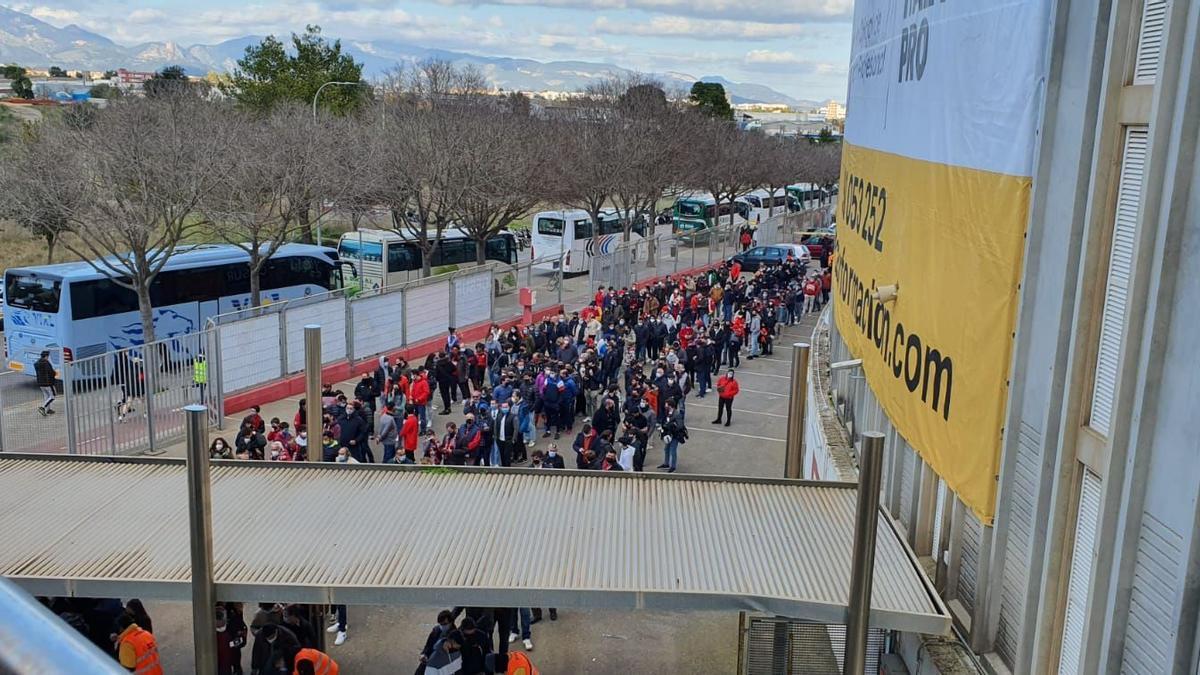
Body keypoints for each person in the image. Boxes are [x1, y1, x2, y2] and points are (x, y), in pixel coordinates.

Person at [215, 603, 248, 675]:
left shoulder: (234, 622)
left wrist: (233, 643)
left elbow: (242, 637)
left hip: (232, 654)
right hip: (218, 658)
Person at [658, 398, 686, 473]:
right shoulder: (668, 412)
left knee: (673, 450)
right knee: (666, 449)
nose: (665, 405)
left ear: (670, 405)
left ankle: (673, 466)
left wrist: (671, 426)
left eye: (666, 404)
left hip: (675, 435)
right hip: (669, 434)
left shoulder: (676, 414)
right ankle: (666, 463)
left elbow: (680, 426)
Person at [35, 350, 56, 416]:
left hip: (40, 383)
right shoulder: (46, 363)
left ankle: (48, 410)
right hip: (48, 382)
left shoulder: (37, 363)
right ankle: (43, 407)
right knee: (53, 396)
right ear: (46, 356)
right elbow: (51, 372)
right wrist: (54, 373)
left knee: (46, 396)